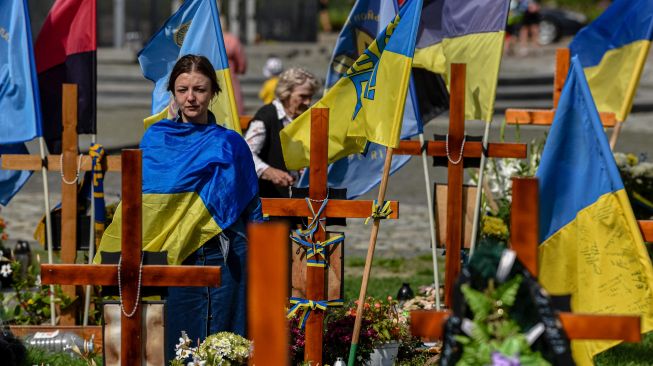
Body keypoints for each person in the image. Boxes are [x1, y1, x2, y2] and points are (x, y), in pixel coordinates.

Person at [95, 54, 262, 363]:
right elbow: (139, 201)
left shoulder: (230, 143)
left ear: (213, 92)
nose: (191, 97)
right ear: (172, 92)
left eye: (199, 89)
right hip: (174, 253)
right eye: (183, 89)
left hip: (224, 255)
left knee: (226, 340)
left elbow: (250, 205)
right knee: (178, 341)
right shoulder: (155, 139)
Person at [244, 67, 321, 198]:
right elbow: (245, 153)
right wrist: (268, 171)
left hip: (300, 198)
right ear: (286, 94)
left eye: (310, 97)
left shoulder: (305, 117)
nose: (308, 102)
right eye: (303, 97)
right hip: (270, 199)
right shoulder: (267, 117)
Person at [222, 19, 247, 114]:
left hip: (211, 77)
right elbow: (242, 63)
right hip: (230, 77)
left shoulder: (208, 38)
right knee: (234, 107)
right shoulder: (232, 39)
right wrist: (240, 69)